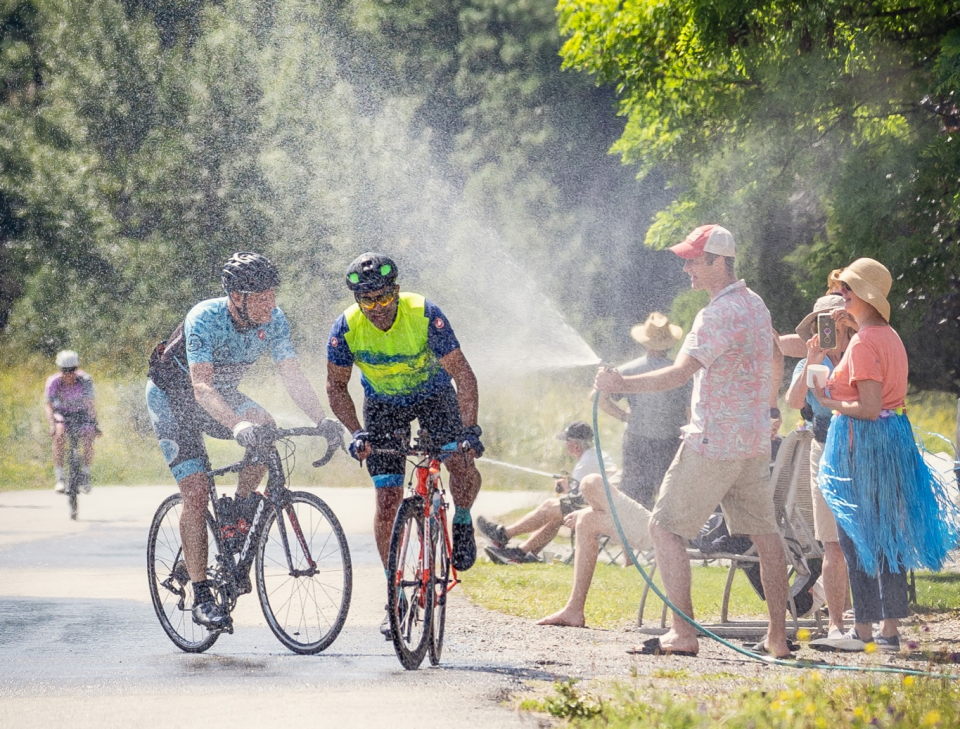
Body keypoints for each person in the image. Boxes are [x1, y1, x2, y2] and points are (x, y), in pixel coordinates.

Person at [595, 224, 792, 658]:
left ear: (719, 262)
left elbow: (679, 373)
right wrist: (770, 405)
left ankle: (683, 634)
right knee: (765, 534)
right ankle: (777, 638)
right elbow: (778, 354)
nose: (686, 268)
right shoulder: (756, 305)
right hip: (753, 440)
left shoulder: (715, 313)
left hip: (714, 441)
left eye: (694, 260)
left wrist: (620, 382)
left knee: (663, 528)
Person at [146, 252, 339, 630]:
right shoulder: (204, 317)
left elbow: (292, 374)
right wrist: (235, 425)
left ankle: (239, 511)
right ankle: (202, 596)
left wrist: (321, 419)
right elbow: (200, 385)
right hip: (174, 399)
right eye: (262, 297)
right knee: (197, 492)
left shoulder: (275, 320)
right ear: (238, 297)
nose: (272, 303)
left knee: (265, 426)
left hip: (220, 393)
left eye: (273, 295)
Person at [325, 252, 483, 637]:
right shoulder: (346, 327)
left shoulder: (425, 314)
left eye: (383, 298)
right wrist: (357, 432)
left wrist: (468, 430)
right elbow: (336, 386)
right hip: (383, 405)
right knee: (386, 500)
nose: (377, 308)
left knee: (460, 464)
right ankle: (394, 592)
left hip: (433, 397)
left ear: (395, 291)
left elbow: (463, 375)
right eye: (367, 301)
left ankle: (461, 518)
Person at [812, 258, 960, 652]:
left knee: (855, 534)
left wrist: (829, 401)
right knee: (886, 536)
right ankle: (889, 629)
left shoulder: (863, 342)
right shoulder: (889, 336)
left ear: (863, 296)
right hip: (893, 439)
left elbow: (867, 406)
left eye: (846, 289)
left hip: (865, 444)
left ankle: (862, 632)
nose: (840, 293)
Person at [784, 294, 855, 645]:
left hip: (862, 449)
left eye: (837, 321)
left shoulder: (861, 353)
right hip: (825, 449)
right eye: (823, 322)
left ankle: (871, 624)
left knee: (861, 541)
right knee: (833, 544)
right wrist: (813, 358)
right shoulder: (810, 362)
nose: (830, 328)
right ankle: (836, 626)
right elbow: (794, 402)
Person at [477, 421, 618, 564]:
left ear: (575, 445)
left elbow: (577, 495)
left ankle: (502, 535)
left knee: (551, 505)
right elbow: (584, 491)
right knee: (557, 516)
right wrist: (570, 486)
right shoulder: (597, 455)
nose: (566, 446)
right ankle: (520, 553)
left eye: (566, 442)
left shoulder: (586, 462)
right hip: (604, 509)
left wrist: (567, 487)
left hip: (602, 514)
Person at [597, 313, 689, 509]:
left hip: (637, 442)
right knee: (670, 500)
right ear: (669, 343)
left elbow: (600, 400)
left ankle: (636, 538)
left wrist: (625, 416)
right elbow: (690, 412)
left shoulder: (628, 369)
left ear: (645, 343)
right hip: (671, 443)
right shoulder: (680, 373)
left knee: (636, 500)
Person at [45, 350, 100, 493]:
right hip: (62, 414)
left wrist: (95, 423)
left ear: (77, 368)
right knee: (59, 435)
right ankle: (60, 478)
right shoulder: (53, 382)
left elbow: (90, 404)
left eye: (72, 370)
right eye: (65, 371)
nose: (69, 374)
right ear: (60, 369)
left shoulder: (85, 380)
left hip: (81, 413)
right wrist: (51, 425)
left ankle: (86, 475)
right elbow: (49, 406)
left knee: (89, 437)